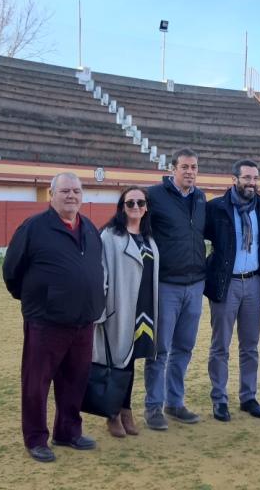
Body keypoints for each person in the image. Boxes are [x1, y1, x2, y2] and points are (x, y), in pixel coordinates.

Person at [2, 172, 105, 463]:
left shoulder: (89, 228)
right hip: (46, 321)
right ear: (51, 194)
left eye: (76, 191)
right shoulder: (34, 228)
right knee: (37, 382)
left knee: (75, 380)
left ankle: (68, 431)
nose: (71, 195)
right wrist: (37, 301)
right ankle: (36, 438)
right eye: (65, 191)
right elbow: (12, 271)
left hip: (83, 321)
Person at [143, 148, 207, 430]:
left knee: (184, 347)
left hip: (195, 285)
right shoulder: (153, 196)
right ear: (173, 169)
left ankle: (175, 402)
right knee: (160, 349)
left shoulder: (200, 197)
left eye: (194, 167)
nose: (190, 171)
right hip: (166, 284)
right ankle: (153, 406)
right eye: (185, 167)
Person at [204, 159, 260, 422]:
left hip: (253, 282)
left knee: (250, 346)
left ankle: (248, 397)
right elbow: (197, 238)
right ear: (235, 179)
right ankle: (219, 399)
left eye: (255, 178)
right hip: (226, 282)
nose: (251, 183)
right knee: (220, 345)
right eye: (246, 178)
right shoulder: (216, 208)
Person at [95, 186, 160, 438]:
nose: (136, 207)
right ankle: (111, 414)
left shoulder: (149, 236)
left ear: (146, 208)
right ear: (122, 207)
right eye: (130, 203)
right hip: (119, 308)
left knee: (130, 361)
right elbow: (101, 274)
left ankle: (126, 410)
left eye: (140, 203)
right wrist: (101, 310)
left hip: (143, 308)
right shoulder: (109, 236)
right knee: (117, 362)